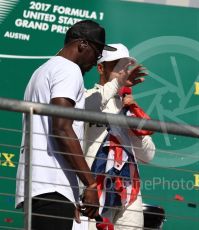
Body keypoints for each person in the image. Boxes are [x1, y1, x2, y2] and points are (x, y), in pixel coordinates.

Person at [15, 20, 117, 230]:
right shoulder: (69, 70)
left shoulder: (42, 70)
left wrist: (70, 192)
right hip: (51, 186)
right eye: (97, 53)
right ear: (82, 45)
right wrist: (90, 183)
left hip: (37, 187)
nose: (95, 60)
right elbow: (61, 127)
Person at [73, 43, 155, 230]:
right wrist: (116, 86)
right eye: (116, 65)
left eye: (125, 66)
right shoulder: (87, 97)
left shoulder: (130, 108)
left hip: (129, 192)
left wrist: (132, 117)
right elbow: (85, 108)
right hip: (94, 189)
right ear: (100, 68)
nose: (122, 71)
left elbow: (149, 155)